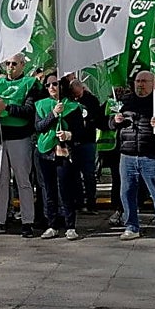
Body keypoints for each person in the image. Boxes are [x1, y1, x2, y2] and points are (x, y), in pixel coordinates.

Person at [110, 71, 155, 242]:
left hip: (151, 155)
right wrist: (115, 121)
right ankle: (131, 226)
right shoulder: (125, 102)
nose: (140, 84)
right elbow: (110, 124)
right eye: (137, 81)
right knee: (127, 192)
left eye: (144, 81)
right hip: (127, 154)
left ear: (152, 83)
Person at [0, 54, 45, 237]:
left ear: (23, 65)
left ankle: (27, 221)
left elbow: (30, 111)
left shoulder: (30, 83)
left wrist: (7, 108)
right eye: (7, 63)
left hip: (20, 138)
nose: (10, 67)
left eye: (14, 64)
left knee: (23, 181)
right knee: (0, 182)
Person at [34, 73, 85, 240]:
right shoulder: (41, 105)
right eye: (48, 85)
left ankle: (70, 225)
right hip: (45, 152)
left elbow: (81, 132)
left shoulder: (73, 107)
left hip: (64, 152)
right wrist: (53, 115)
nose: (51, 88)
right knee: (48, 190)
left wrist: (69, 135)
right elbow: (39, 127)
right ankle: (52, 225)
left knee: (66, 188)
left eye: (54, 84)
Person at [67, 77, 104, 215]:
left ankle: (91, 203)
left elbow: (97, 118)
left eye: (78, 94)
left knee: (89, 174)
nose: (76, 97)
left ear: (83, 89)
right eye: (74, 94)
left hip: (88, 141)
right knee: (75, 174)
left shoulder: (91, 101)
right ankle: (78, 202)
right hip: (74, 141)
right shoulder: (69, 100)